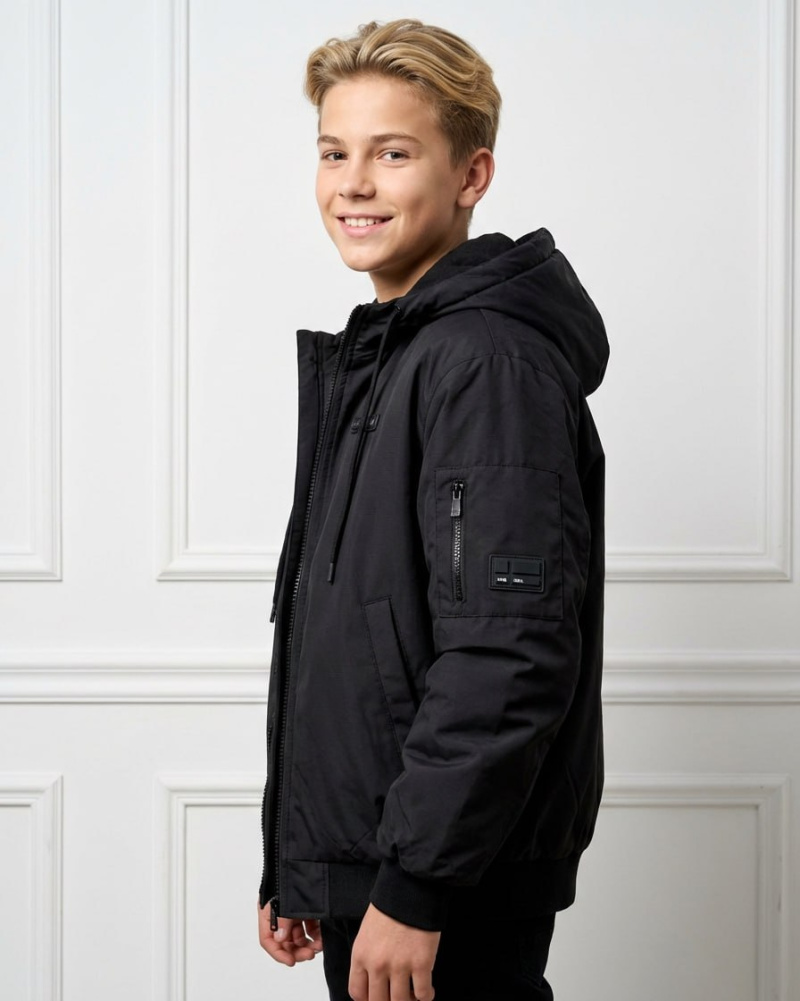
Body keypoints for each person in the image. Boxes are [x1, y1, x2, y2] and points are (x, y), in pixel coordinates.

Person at [256, 18, 608, 1001]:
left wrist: (415, 885)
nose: (353, 184)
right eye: (334, 152)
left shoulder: (486, 363)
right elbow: (359, 634)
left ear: (471, 174)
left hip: (444, 883)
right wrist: (306, 864)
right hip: (383, 865)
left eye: (393, 153)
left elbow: (506, 650)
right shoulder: (394, 356)